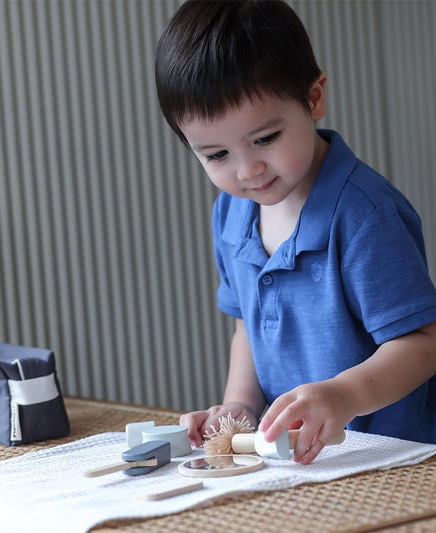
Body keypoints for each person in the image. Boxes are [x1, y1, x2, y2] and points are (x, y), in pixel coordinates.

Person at [155, 0, 436, 464]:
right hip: (298, 464)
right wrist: (240, 406)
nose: (248, 170)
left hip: (391, 459)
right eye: (216, 155)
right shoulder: (232, 213)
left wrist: (345, 395)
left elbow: (422, 343)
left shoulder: (365, 216)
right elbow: (247, 327)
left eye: (265, 139)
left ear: (314, 97)